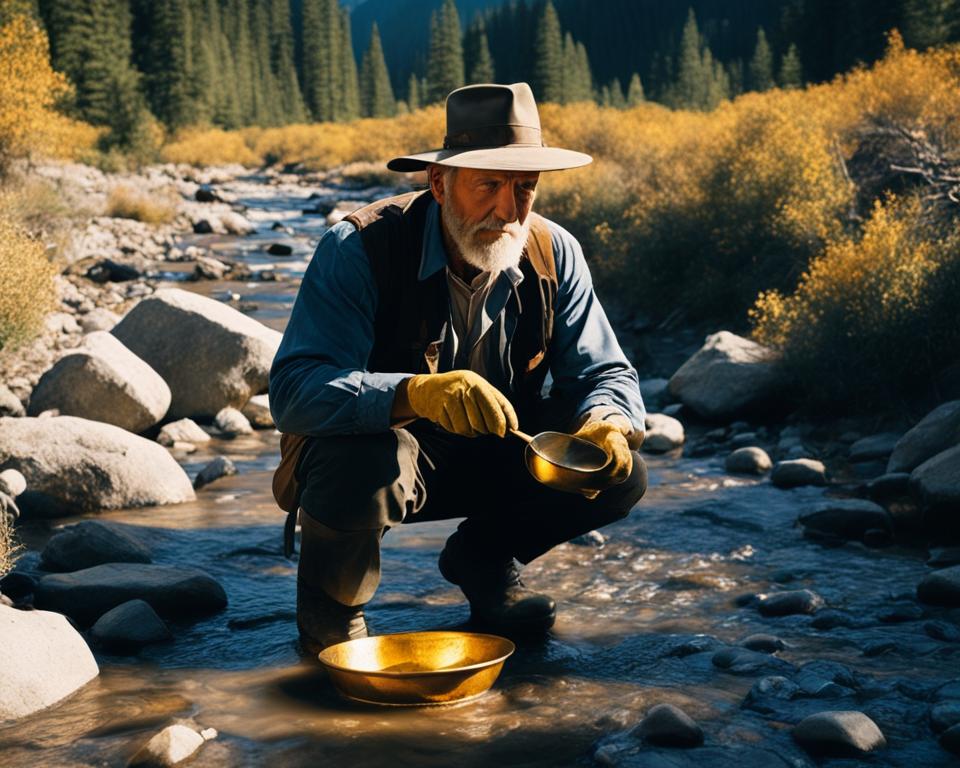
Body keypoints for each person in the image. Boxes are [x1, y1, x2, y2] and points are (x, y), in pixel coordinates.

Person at [269, 82, 648, 653]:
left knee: (619, 472)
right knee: (357, 454)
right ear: (440, 183)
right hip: (384, 460)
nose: (508, 209)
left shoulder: (554, 250)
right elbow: (295, 392)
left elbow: (607, 374)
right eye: (488, 185)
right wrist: (413, 394)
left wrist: (608, 423)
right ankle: (332, 609)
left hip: (497, 452)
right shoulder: (359, 248)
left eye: (525, 188)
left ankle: (483, 560)